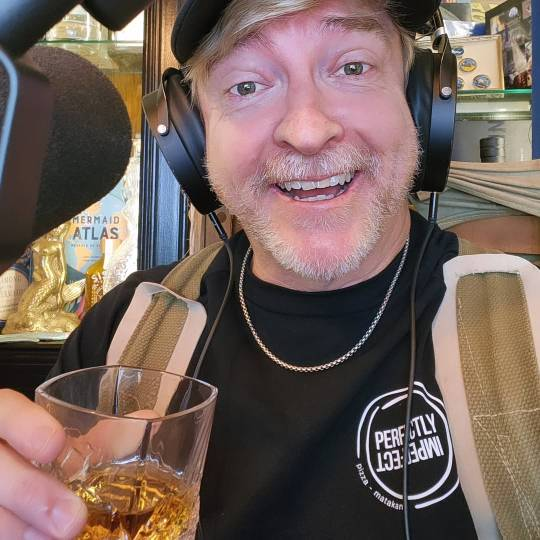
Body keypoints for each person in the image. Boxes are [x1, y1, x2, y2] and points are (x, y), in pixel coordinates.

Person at [0, 1, 537, 539]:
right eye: (248, 86)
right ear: (192, 132)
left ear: (420, 100)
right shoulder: (125, 330)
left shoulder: (531, 328)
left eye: (353, 67)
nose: (307, 131)